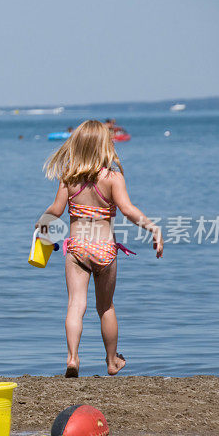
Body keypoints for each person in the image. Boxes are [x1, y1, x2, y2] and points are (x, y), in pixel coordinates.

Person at [37, 120, 163, 378]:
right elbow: (128, 210)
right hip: (105, 249)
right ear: (105, 145)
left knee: (75, 304)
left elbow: (56, 210)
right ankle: (112, 361)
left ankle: (72, 358)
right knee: (105, 307)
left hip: (77, 249)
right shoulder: (113, 178)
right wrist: (153, 228)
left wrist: (42, 222)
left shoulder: (69, 177)